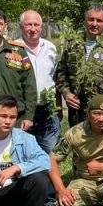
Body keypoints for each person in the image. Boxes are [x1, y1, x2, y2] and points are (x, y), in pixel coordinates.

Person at [55, 4, 103, 126]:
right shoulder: (72, 44)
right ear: (85, 21)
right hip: (77, 111)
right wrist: (66, 93)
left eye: (99, 20)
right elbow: (61, 72)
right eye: (91, 19)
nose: (94, 23)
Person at [19, 9, 61, 153]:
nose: (32, 29)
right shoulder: (13, 49)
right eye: (28, 25)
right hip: (22, 110)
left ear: (41, 27)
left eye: (36, 25)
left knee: (49, 152)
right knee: (23, 152)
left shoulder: (51, 48)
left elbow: (54, 76)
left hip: (46, 110)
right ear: (21, 27)